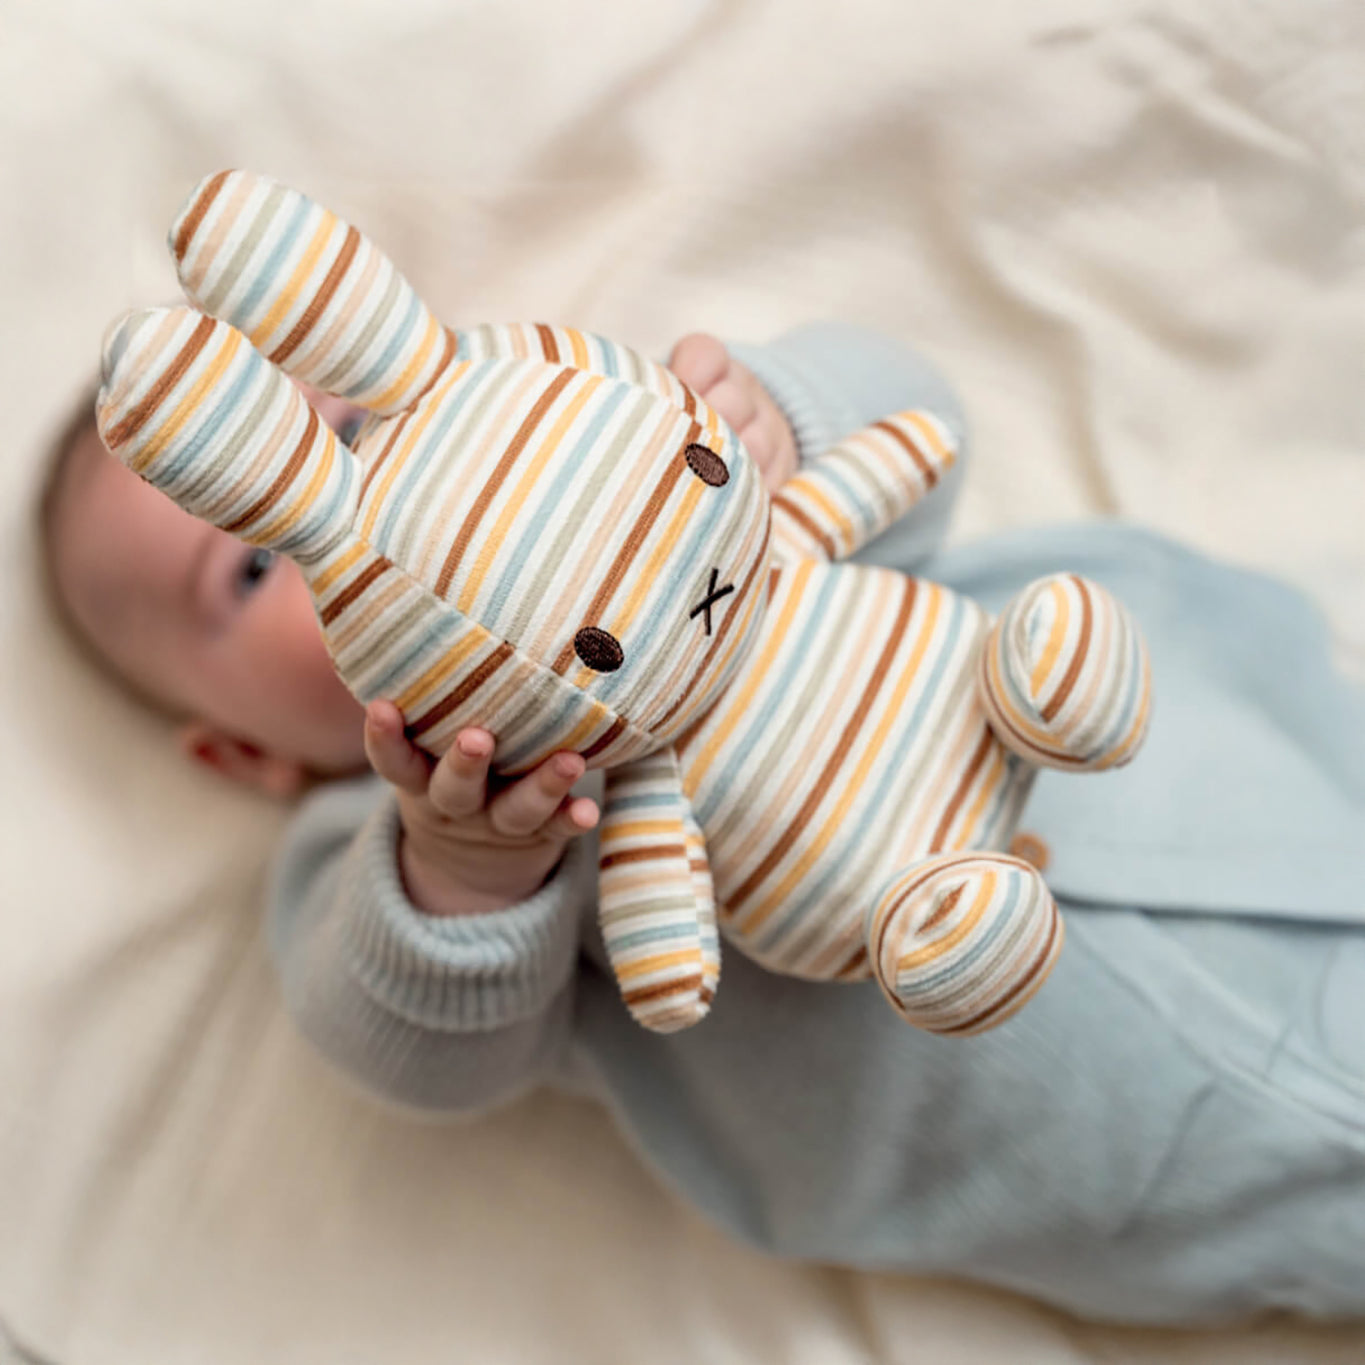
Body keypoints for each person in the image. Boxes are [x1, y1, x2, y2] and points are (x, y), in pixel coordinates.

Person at [40, 319, 1365, 1324]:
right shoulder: (366, 853)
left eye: (343, 424)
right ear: (247, 755)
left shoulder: (662, 488)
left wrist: (772, 423)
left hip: (1202, 746)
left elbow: (911, 422)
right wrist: (467, 865)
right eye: (260, 557)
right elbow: (407, 1049)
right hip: (1145, 1155)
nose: (359, 502)